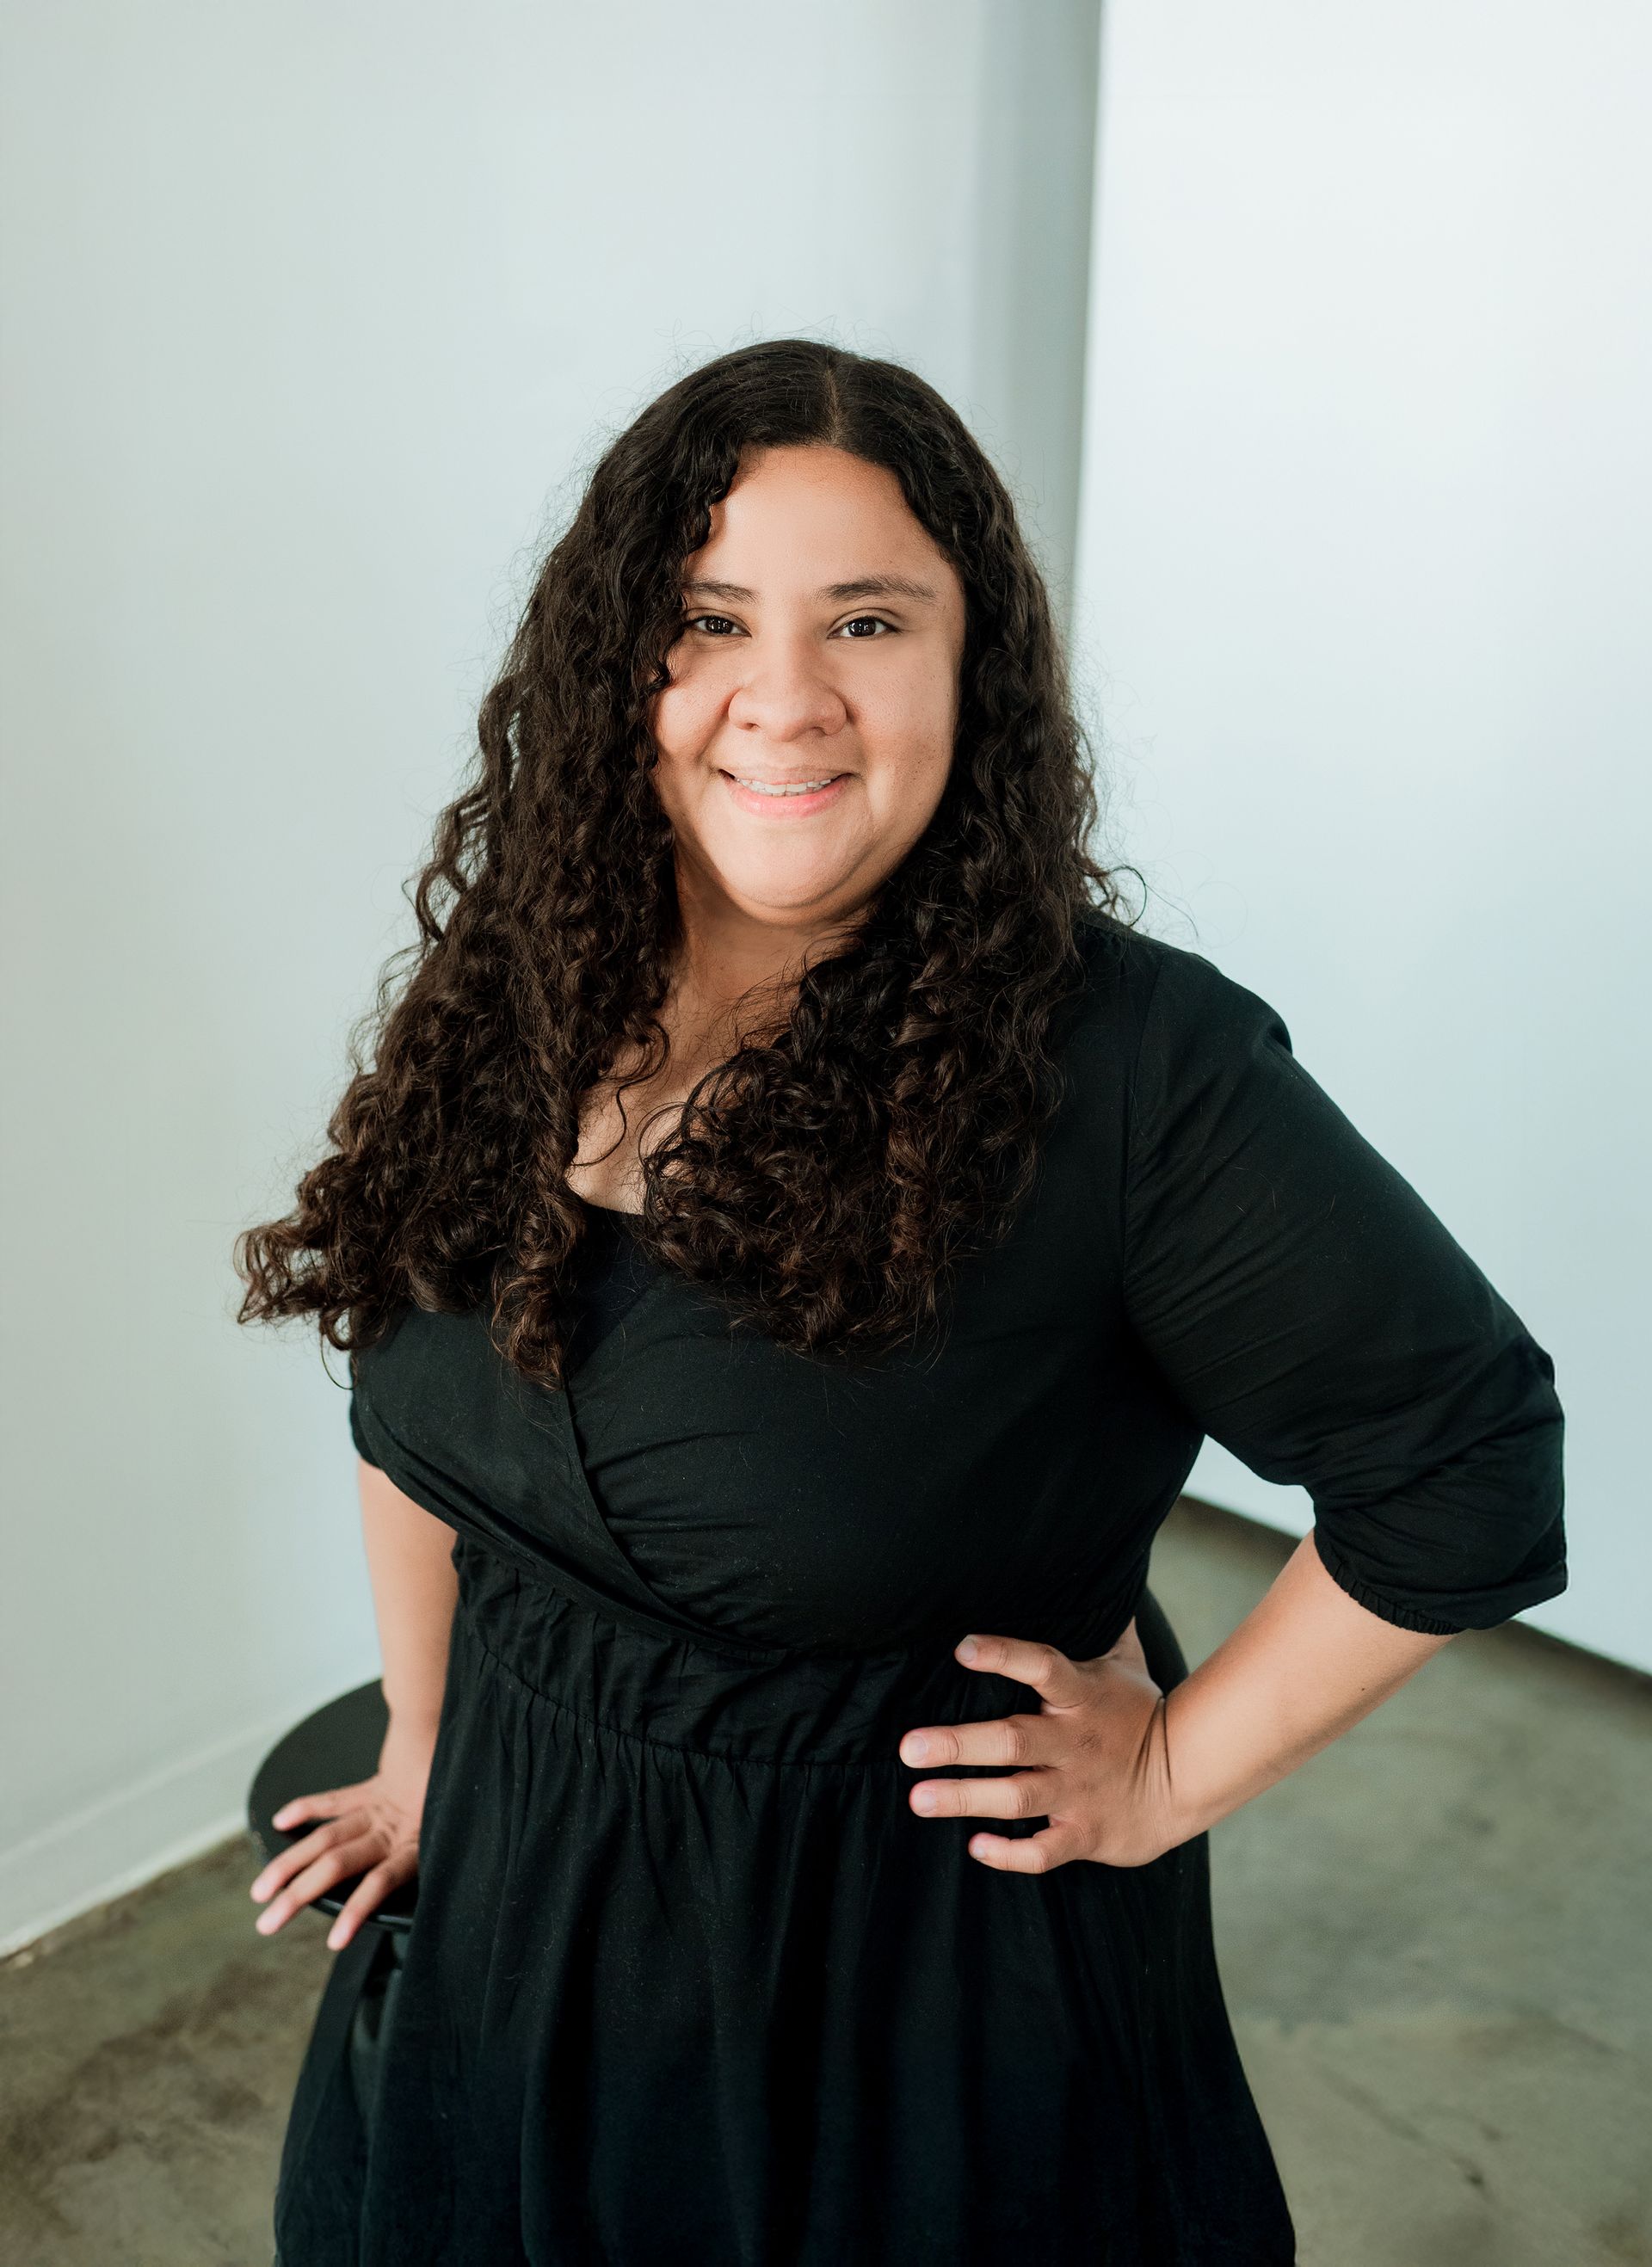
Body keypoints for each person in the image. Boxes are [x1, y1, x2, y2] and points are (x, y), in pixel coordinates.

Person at [235, 338, 1567, 2266]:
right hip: (524, 1920)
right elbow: (416, 1413)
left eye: (866, 618)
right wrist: (431, 1747)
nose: (785, 699)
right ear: (622, 663)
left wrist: (1173, 1769)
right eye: (709, 620)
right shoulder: (537, 976)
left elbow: (1468, 1458)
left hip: (894, 2000)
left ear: (973, 669)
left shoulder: (1134, 1074)